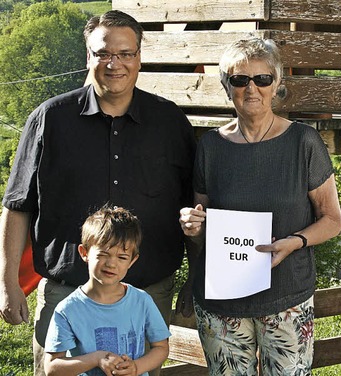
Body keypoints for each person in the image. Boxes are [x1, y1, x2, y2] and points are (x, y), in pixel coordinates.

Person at [0, 10, 196, 376]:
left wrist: (197, 274)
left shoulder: (170, 122)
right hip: (68, 291)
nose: (114, 64)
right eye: (103, 53)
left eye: (125, 54)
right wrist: (7, 283)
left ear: (139, 58)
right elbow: (16, 206)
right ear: (88, 56)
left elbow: (194, 208)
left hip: (146, 293)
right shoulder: (49, 119)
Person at [178, 37, 341, 375]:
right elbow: (202, 226)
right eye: (239, 80)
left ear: (276, 84)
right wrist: (193, 226)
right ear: (227, 87)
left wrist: (295, 241)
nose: (251, 88)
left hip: (286, 299)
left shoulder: (303, 142)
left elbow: (332, 220)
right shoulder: (210, 146)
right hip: (221, 302)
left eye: (262, 79)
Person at [44, 206, 170, 376]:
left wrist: (137, 367)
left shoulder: (142, 301)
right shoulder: (68, 309)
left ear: (132, 261)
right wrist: (96, 358)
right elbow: (52, 368)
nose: (111, 264)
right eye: (103, 254)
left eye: (122, 257)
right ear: (84, 252)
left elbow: (161, 348)